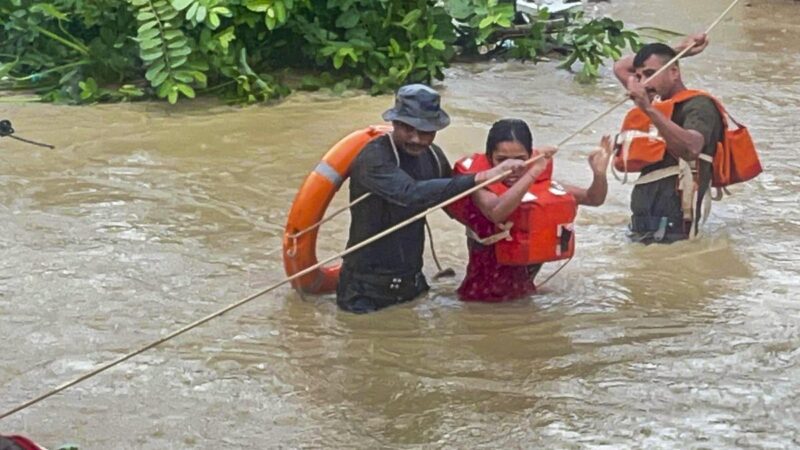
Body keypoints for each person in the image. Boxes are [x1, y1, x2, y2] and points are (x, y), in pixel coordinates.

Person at [336, 84, 527, 314]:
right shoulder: (375, 157)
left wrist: (500, 229)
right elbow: (409, 193)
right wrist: (482, 176)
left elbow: (456, 205)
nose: (416, 138)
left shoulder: (434, 157)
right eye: (408, 128)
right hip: (364, 292)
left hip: (412, 285)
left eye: (425, 131)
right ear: (395, 123)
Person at [447, 119, 612, 302]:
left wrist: (599, 174)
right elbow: (497, 212)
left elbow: (593, 198)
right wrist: (533, 171)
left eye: (520, 160)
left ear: (530, 156)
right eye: (502, 160)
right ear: (489, 158)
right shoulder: (480, 186)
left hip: (525, 293)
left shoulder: (538, 185)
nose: (513, 168)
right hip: (480, 300)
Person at [611, 34, 725, 243]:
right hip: (643, 222)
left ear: (674, 72)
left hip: (675, 226)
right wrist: (678, 49)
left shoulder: (699, 105)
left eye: (650, 74)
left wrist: (646, 108)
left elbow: (691, 147)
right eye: (640, 76)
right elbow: (621, 67)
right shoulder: (655, 103)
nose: (643, 82)